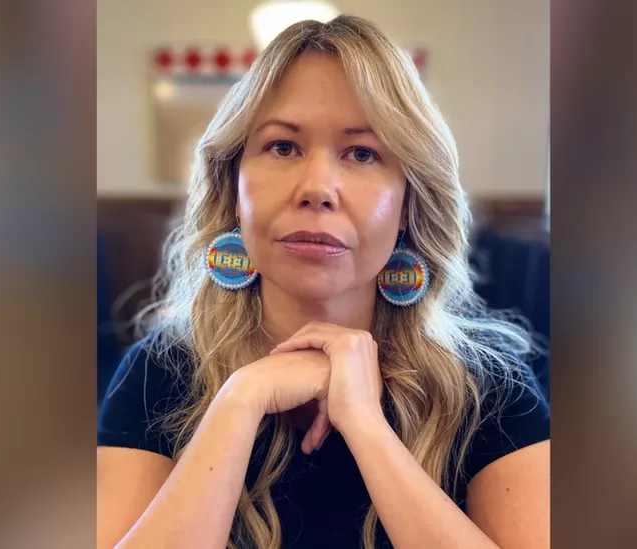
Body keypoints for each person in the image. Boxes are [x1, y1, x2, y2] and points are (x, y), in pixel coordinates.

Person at [97, 15, 549, 549]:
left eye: (362, 153)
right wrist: (240, 400)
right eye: (282, 147)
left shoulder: (492, 391)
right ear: (234, 188)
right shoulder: (158, 373)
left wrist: (366, 425)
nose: (317, 188)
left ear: (408, 204)